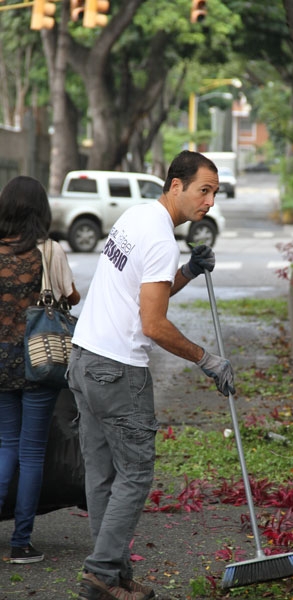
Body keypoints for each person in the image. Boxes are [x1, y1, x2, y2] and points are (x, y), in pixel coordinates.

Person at [67, 150, 235, 600]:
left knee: (103, 476)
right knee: (136, 474)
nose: (210, 202)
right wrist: (207, 359)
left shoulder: (137, 216)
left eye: (215, 193)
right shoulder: (160, 236)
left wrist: (188, 271)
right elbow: (153, 324)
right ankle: (101, 574)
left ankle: (113, 577)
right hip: (118, 370)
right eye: (204, 190)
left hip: (84, 358)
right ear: (176, 185)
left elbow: (146, 294)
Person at [0, 175, 80, 563]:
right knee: (32, 453)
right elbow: (71, 295)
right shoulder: (49, 252)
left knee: (5, 447)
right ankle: (21, 544)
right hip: (39, 362)